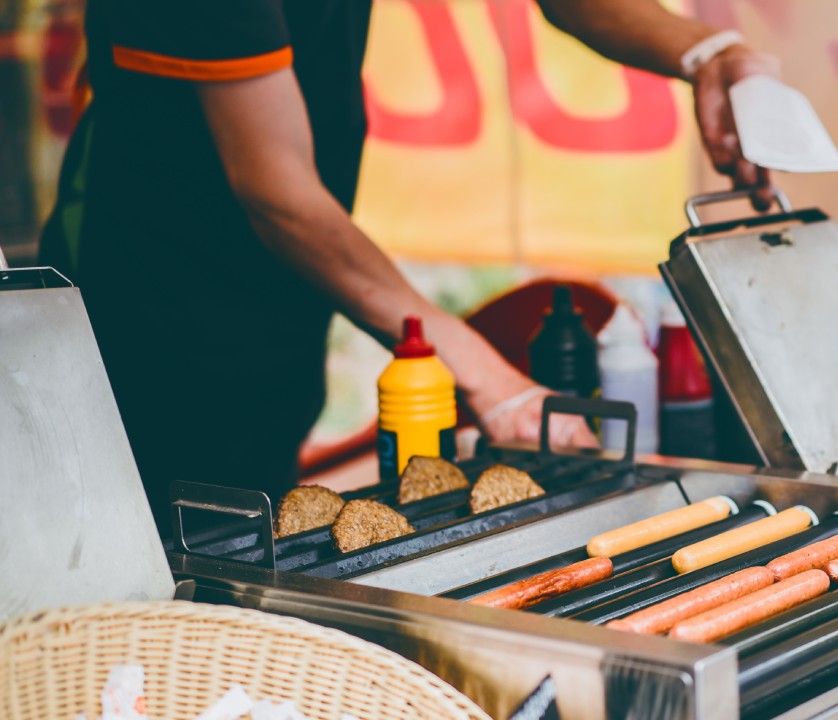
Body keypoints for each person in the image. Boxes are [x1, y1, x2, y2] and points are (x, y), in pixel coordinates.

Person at [39, 0, 777, 535]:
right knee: (162, 568)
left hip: (280, 298)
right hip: (147, 316)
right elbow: (279, 195)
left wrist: (705, 53)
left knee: (257, 517)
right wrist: (492, 380)